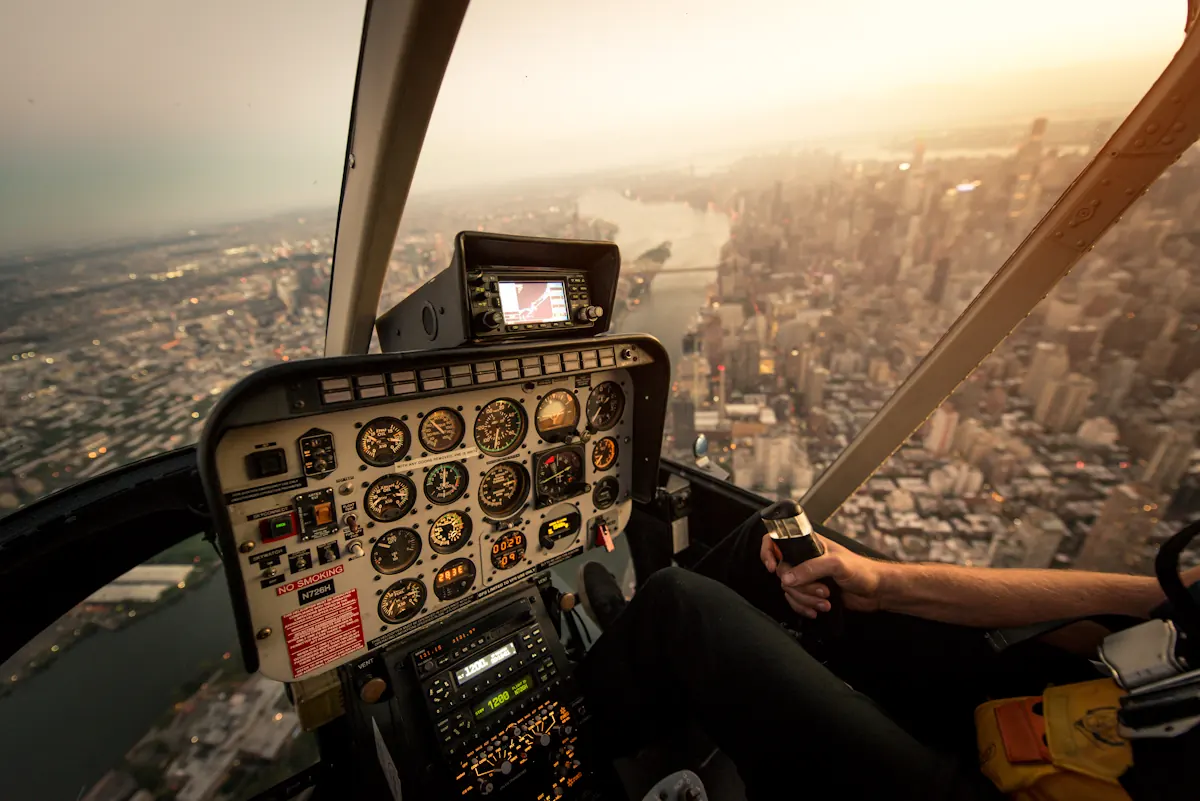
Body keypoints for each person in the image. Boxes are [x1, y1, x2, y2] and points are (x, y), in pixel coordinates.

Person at [576, 509, 1200, 801]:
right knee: (770, 545)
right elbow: (1126, 609)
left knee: (677, 601)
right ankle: (640, 648)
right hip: (1065, 703)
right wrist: (880, 584)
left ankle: (567, 739)